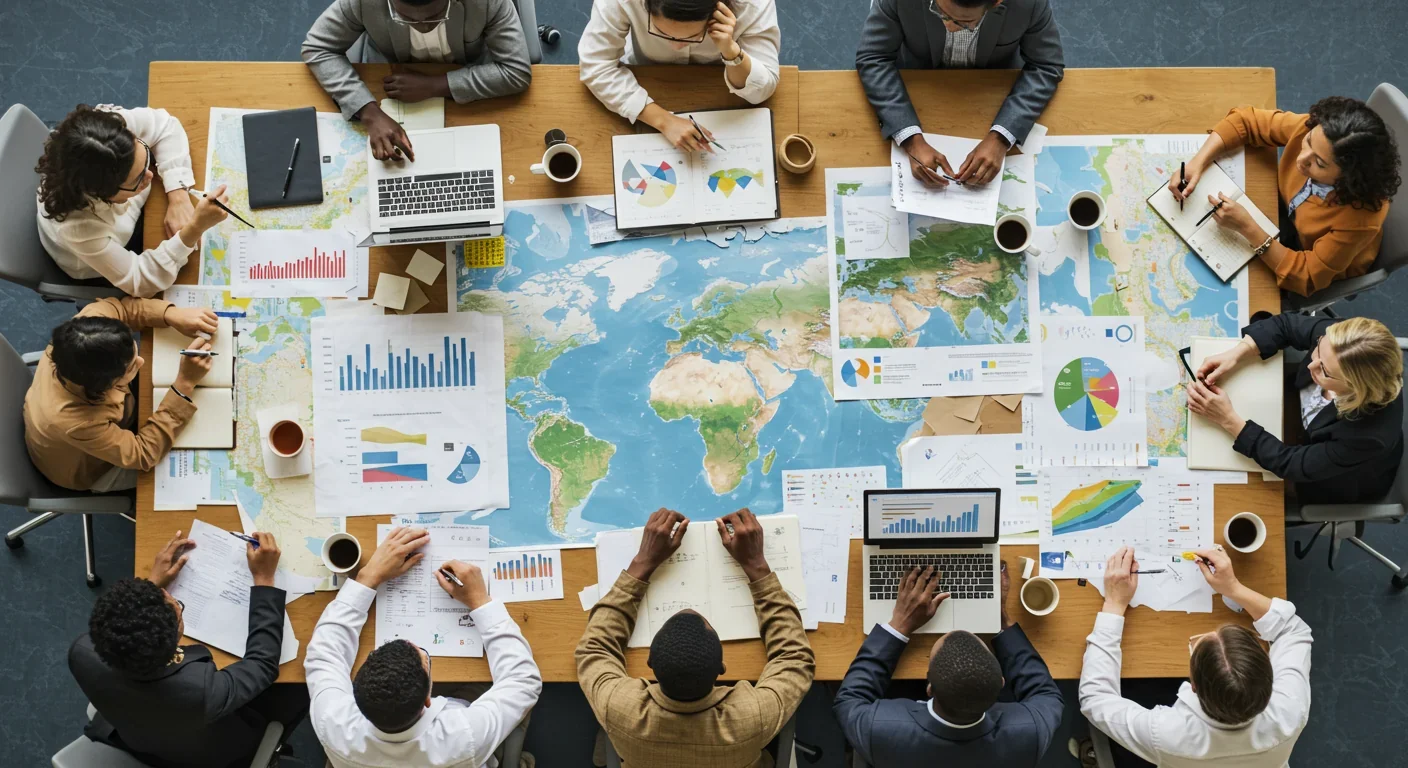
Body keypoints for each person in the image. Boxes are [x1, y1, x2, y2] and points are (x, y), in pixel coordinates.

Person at [576, 507, 814, 767]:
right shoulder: (751, 718)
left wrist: (643, 562)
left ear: (650, 663)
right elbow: (794, 658)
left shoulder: (620, 709)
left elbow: (595, 648)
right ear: (722, 669)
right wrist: (756, 566)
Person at [69, 530, 308, 768]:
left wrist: (149, 588)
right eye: (176, 606)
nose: (171, 598)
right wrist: (265, 579)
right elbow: (263, 663)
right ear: (173, 642)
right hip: (215, 755)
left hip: (136, 734)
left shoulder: (81, 651)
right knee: (299, 686)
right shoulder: (199, 689)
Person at [306, 527, 542, 767]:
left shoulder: (333, 724)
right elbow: (523, 680)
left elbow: (324, 654)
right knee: (487, 686)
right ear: (428, 698)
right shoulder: (464, 737)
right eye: (425, 660)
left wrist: (368, 577)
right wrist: (480, 601)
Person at [1080, 546, 1313, 766]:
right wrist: (1232, 588)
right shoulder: (1290, 710)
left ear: (1192, 685)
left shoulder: (1166, 733)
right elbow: (1292, 629)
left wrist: (1114, 604)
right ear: (1268, 671)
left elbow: (1095, 698)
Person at [834, 562, 1063, 766]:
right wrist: (1001, 619)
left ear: (929, 689)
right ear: (1001, 682)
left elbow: (850, 698)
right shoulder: (1031, 732)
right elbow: (1046, 693)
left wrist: (900, 625)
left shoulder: (879, 729)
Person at [1168, 97, 1401, 296]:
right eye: (1307, 142)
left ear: (1350, 177)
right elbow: (1245, 121)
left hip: (1307, 254)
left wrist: (1248, 227)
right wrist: (1198, 162)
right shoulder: (1319, 134)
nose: (1301, 159)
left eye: (1319, 164)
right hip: (1284, 215)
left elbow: (1306, 276)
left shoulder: (1359, 221)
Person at [1188, 311, 1403, 504]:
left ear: (1356, 387)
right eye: (1318, 347)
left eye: (1324, 371)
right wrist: (1237, 353)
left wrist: (1227, 419)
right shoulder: (1343, 341)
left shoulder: (1368, 436)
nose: (1310, 364)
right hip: (1296, 413)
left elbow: (1293, 465)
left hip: (1325, 478)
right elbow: (1287, 325)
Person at [856, 0, 1064, 187]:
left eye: (964, 23)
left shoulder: (1030, 4)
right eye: (939, 11)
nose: (947, 26)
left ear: (996, 3)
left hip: (992, 89)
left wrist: (1002, 137)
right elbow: (874, 57)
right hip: (917, 83)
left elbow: (1045, 66)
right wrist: (910, 138)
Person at [23, 297, 219, 492]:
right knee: (179, 470)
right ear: (106, 386)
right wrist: (184, 384)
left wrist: (171, 314)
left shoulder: (88, 329)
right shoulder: (77, 421)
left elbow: (123, 310)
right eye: (131, 367)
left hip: (95, 426)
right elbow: (143, 454)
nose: (141, 361)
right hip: (90, 466)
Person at [36, 104, 231, 297]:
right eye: (137, 179)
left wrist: (178, 196)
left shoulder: (109, 134)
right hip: (100, 262)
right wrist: (195, 229)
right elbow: (141, 281)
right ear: (104, 193)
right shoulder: (79, 229)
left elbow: (165, 126)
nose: (150, 175)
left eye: (144, 154)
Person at [302, 0, 533, 161]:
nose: (423, 27)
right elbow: (318, 47)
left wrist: (435, 86)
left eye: (434, 17)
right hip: (389, 80)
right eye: (405, 18)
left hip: (469, 84)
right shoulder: (362, 2)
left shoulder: (487, 2)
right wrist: (369, 113)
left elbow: (516, 71)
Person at [579, 0, 781, 151]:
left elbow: (761, 91)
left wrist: (731, 51)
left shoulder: (754, 5)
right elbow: (596, 64)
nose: (675, 47)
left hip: (719, 79)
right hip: (646, 73)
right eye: (660, 31)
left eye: (694, 36)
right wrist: (664, 121)